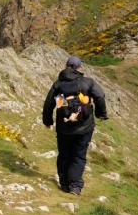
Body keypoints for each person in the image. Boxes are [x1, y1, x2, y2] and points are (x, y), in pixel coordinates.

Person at [41, 55, 108, 195]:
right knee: (78, 155)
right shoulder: (88, 82)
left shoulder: (58, 84)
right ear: (79, 67)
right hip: (84, 127)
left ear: (66, 66)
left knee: (64, 154)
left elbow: (49, 104)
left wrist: (48, 121)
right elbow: (100, 96)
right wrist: (101, 114)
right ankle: (75, 186)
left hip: (64, 127)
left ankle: (64, 184)